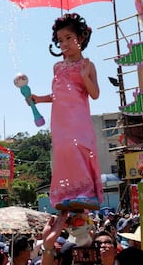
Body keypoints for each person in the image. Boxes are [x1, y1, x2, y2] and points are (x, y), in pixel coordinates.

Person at [29, 13, 103, 211]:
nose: (64, 44)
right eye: (60, 40)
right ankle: (67, 193)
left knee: (78, 149)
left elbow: (94, 93)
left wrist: (84, 76)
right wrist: (38, 99)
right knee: (63, 153)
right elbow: (57, 94)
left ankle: (86, 193)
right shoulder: (57, 67)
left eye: (69, 38)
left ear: (81, 38)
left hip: (78, 118)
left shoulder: (88, 65)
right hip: (60, 120)